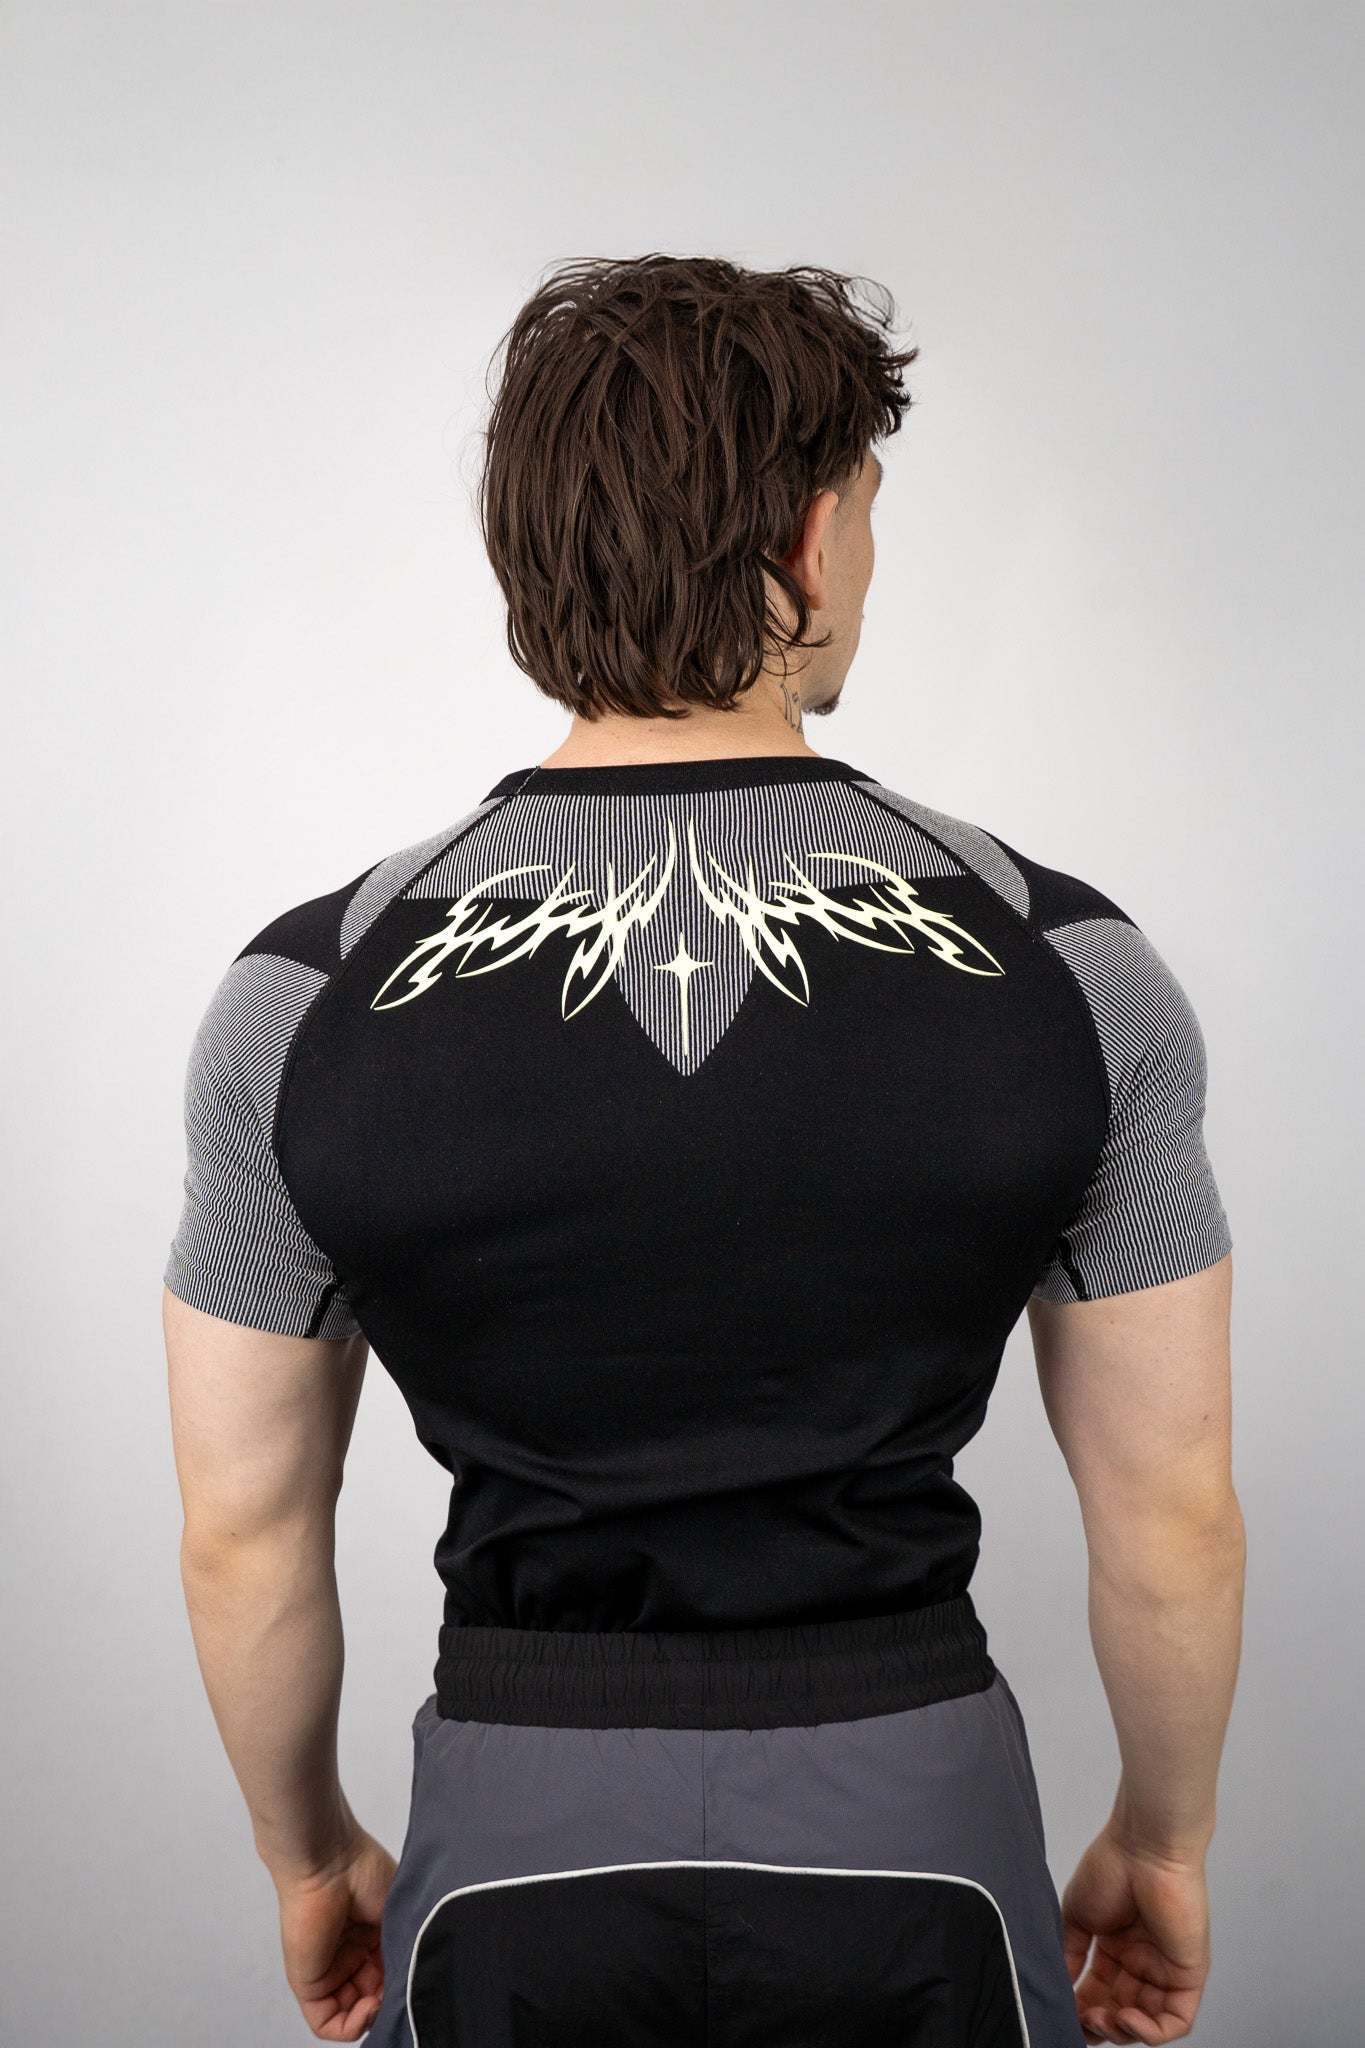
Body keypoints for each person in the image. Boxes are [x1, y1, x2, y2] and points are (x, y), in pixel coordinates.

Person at [163, 256, 1244, 2048]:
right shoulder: (1073, 971)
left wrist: (306, 1855)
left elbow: (242, 1531)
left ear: (526, 555)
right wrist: (1163, 1836)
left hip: (512, 1823)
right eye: (867, 516)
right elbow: (1170, 1510)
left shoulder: (299, 1000)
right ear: (813, 542)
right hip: (916, 1810)